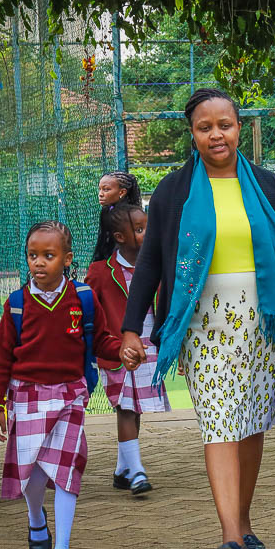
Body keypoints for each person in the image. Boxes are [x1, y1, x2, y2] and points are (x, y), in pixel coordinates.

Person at [119, 88, 275, 549]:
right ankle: (230, 535)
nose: (216, 134)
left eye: (225, 125)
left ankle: (245, 520)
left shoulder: (269, 186)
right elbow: (151, 263)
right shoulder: (174, 191)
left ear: (239, 127)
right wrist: (132, 328)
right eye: (205, 127)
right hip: (203, 324)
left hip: (261, 322)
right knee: (219, 421)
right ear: (192, 134)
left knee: (252, 421)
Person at [0, 221, 122, 549]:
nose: (39, 263)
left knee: (66, 472)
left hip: (70, 394)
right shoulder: (15, 304)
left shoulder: (83, 299)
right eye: (33, 255)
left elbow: (103, 341)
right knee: (31, 473)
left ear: (67, 259)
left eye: (49, 255)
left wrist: (123, 350)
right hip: (26, 394)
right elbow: (3, 356)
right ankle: (35, 520)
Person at [85, 202, 170, 496]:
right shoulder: (100, 272)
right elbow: (88, 311)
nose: (146, 233)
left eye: (146, 227)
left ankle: (123, 470)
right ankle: (136, 472)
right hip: (117, 352)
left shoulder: (157, 266)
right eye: (139, 229)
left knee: (136, 411)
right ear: (119, 237)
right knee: (125, 408)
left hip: (148, 348)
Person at [91, 171, 142, 263]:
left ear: (122, 192)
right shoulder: (107, 211)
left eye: (106, 189)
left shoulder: (130, 215)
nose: (100, 194)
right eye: (100, 189)